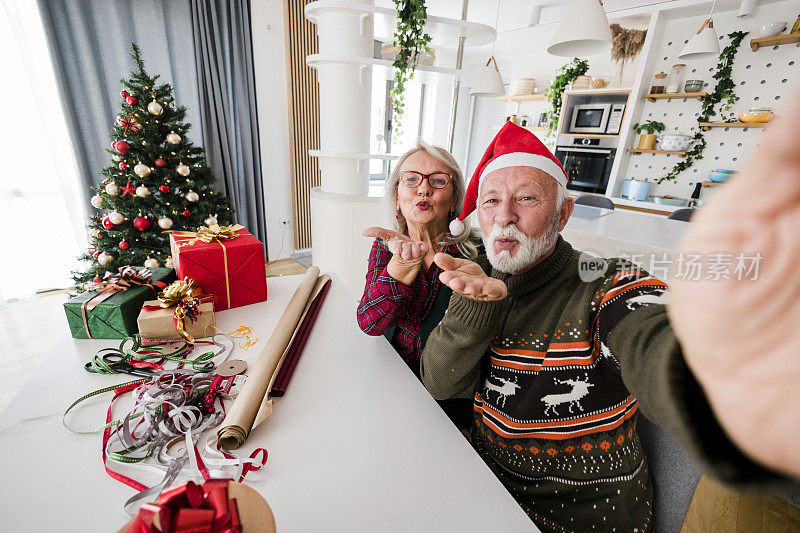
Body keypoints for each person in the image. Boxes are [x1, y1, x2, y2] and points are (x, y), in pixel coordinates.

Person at [415, 119, 800, 532]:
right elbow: (438, 384)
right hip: (484, 487)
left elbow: (654, 336)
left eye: (525, 198)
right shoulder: (480, 276)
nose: (504, 216)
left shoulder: (605, 279)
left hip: (578, 516)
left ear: (563, 214)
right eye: (490, 201)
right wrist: (473, 308)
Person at [356, 141, 478, 426]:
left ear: (455, 200)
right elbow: (369, 324)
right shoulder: (385, 248)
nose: (423, 189)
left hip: (448, 396)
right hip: (391, 378)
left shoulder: (474, 256)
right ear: (397, 197)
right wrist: (399, 270)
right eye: (411, 179)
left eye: (438, 180)